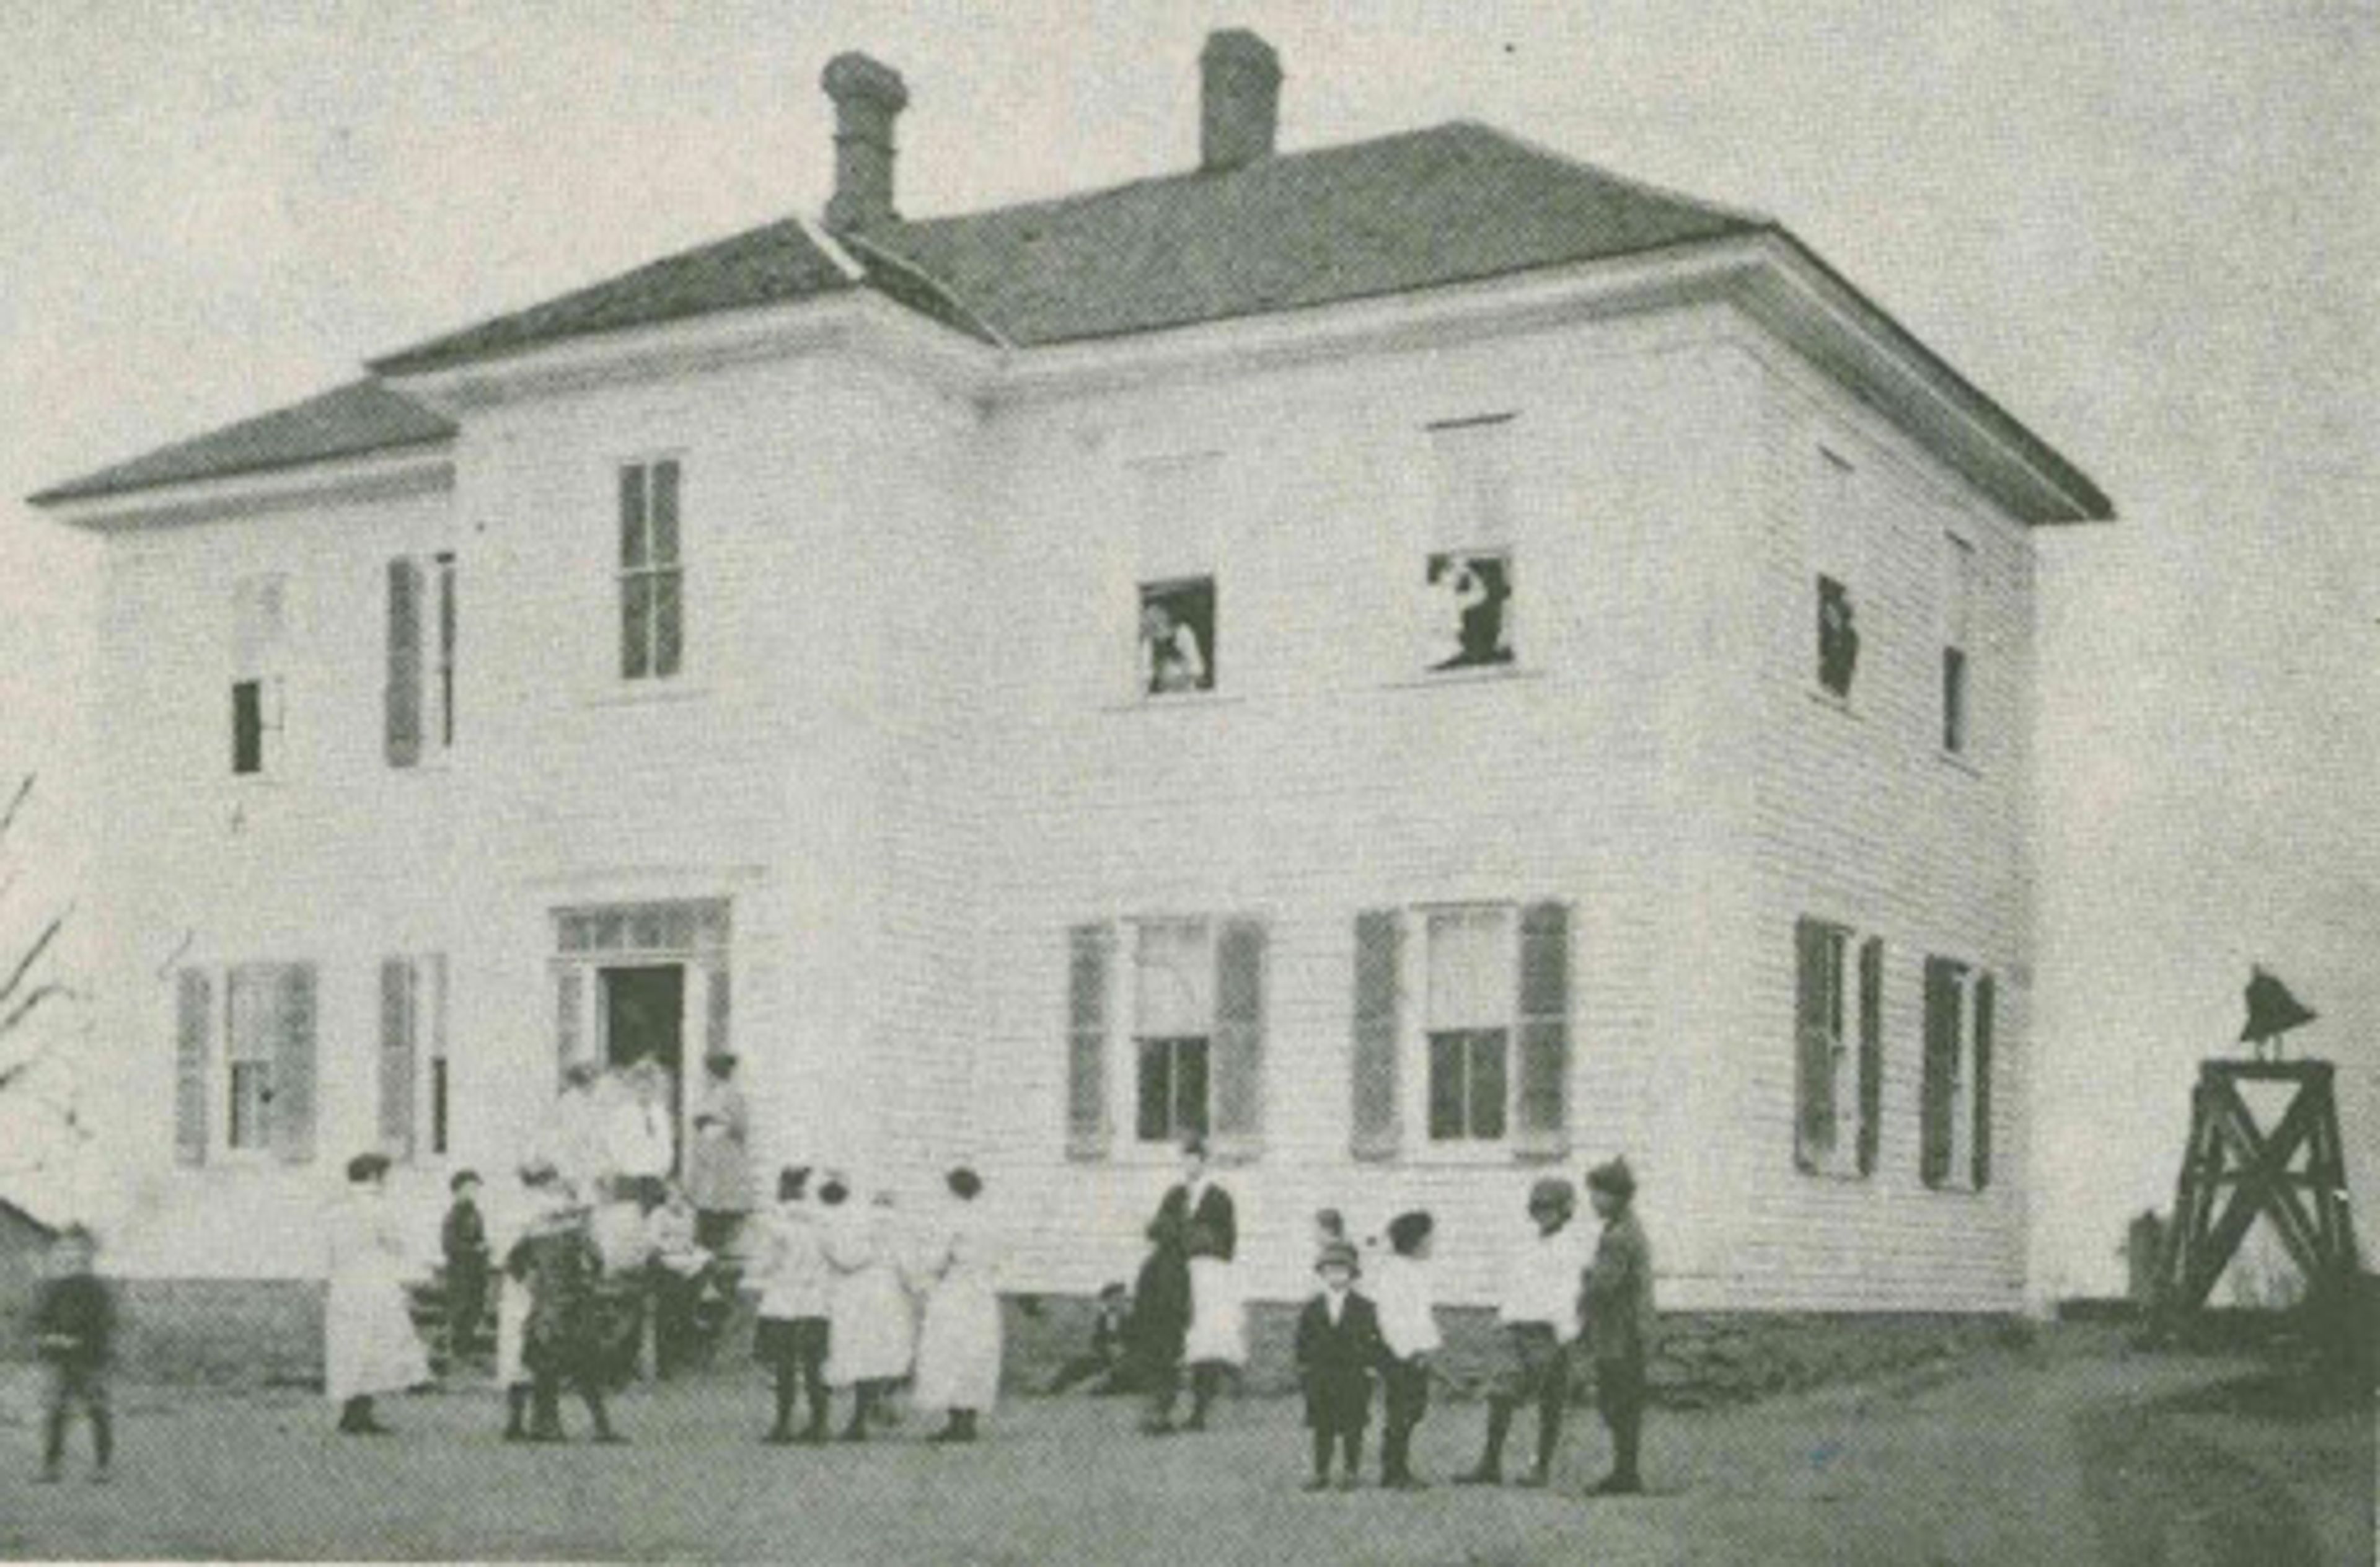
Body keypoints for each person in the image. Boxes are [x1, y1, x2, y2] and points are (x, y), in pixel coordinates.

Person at [1458, 1177, 1588, 1488]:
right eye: (1539, 1208)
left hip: (1550, 1332)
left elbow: (1571, 1294)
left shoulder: (1571, 1248)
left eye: (1551, 1209)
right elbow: (1518, 1283)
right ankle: (1489, 1464)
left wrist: (1566, 1332)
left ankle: (1540, 1467)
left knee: (1550, 1401)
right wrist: (1505, 1314)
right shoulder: (1530, 1243)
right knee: (1501, 1395)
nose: (1544, 1215)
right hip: (1518, 1329)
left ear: (1565, 1211)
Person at [506, 1169, 624, 1444]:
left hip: (547, 1307)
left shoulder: (535, 1232)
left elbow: (514, 1265)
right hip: (571, 1306)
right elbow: (598, 1262)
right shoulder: (576, 1233)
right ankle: (594, 1427)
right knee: (583, 1368)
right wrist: (588, 1281)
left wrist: (532, 1284)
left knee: (539, 1365)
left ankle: (539, 1425)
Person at [325, 1152, 431, 1436]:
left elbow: (329, 1250)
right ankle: (360, 1412)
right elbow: (395, 1242)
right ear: (374, 1177)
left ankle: (352, 1410)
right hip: (373, 1282)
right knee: (374, 1345)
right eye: (385, 1176)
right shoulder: (378, 1208)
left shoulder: (337, 1209)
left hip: (344, 1284)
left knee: (349, 1346)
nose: (387, 1182)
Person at [1144, 1134, 1241, 1432]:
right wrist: (1175, 1232)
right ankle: (1163, 1409)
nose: (1190, 1165)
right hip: (1175, 1277)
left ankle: (1200, 1410)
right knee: (1169, 1340)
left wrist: (1195, 1237)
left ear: (1206, 1162)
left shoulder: (1219, 1198)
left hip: (1207, 1277)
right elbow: (1156, 1229)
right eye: (1185, 1159)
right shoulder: (1175, 1195)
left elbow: (1227, 1244)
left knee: (1204, 1342)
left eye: (1196, 1159)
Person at [1581, 1157, 1655, 1497]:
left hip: (1620, 1331)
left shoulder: (1619, 1235)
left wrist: (1582, 1283)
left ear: (1618, 1196)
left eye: (1599, 1194)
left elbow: (1603, 1285)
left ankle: (1625, 1474)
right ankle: (1625, 1471)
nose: (1594, 1201)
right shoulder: (1624, 1227)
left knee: (1619, 1400)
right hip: (1627, 1328)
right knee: (1621, 1401)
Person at [912, 1167, 1002, 1443]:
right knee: (975, 1353)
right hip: (983, 1292)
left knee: (950, 1351)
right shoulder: (988, 1220)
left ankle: (956, 1419)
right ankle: (969, 1418)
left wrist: (925, 1271)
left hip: (957, 1290)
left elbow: (935, 1260)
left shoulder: (952, 1218)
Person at [822, 1178, 912, 1441]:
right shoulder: (901, 1231)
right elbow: (910, 1268)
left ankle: (859, 1420)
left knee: (859, 1353)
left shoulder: (861, 1226)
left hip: (862, 1294)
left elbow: (849, 1260)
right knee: (883, 1354)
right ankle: (875, 1405)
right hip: (891, 1293)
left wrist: (829, 1251)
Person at [1294, 1238, 1385, 1493]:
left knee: (1352, 1426)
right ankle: (1321, 1471)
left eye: (1342, 1270)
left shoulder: (1364, 1307)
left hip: (1352, 1374)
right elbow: (1303, 1340)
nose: (1337, 1275)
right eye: (1331, 1270)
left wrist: (1371, 1365)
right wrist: (1304, 1366)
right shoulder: (1312, 1308)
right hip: (1322, 1374)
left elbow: (1373, 1339)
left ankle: (1351, 1471)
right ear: (1322, 1273)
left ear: (1352, 1274)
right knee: (1323, 1426)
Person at [754, 1166, 833, 1444]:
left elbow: (765, 1264)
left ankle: (783, 1425)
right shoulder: (822, 1223)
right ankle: (819, 1425)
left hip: (784, 1301)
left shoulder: (776, 1225)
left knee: (784, 1366)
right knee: (814, 1365)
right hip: (815, 1301)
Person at [31, 1225, 115, 1484]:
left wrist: (76, 1342)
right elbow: (39, 1321)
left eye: (80, 1253)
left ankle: (102, 1467)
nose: (73, 1258)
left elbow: (103, 1325)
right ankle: (50, 1467)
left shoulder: (97, 1291)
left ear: (88, 1257)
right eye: (67, 1252)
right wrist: (48, 1339)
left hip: (90, 1360)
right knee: (55, 1412)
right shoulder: (54, 1289)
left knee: (97, 1410)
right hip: (58, 1359)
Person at [495, 1162, 570, 1440]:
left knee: (517, 1350)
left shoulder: (518, 1208)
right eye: (551, 1180)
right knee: (539, 1349)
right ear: (544, 1182)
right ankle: (542, 1421)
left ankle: (518, 1421)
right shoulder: (544, 1209)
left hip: (521, 1286)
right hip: (534, 1286)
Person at [1373, 1209, 1441, 1490]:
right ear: (1415, 1241)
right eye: (1429, 1239)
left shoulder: (1416, 1272)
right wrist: (1407, 1351)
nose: (1433, 1244)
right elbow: (1391, 1318)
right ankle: (1393, 1470)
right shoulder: (1395, 1273)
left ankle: (1398, 1466)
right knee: (1401, 1410)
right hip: (1399, 1353)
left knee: (1414, 1409)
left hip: (1416, 1353)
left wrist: (1427, 1347)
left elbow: (1421, 1315)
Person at [685, 1051, 752, 1255]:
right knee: (706, 1209)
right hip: (708, 1160)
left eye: (710, 1073)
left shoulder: (732, 1095)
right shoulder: (709, 1094)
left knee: (721, 1209)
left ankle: (718, 1255)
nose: (708, 1077)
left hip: (724, 1160)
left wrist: (719, 1123)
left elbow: (740, 1128)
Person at [646, 1183, 713, 1377]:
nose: (677, 1202)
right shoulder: (658, 1215)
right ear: (666, 1198)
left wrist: (687, 1248)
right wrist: (672, 1246)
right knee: (666, 1311)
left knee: (706, 1261)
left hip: (686, 1260)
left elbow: (691, 1239)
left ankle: (693, 1311)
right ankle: (664, 1363)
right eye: (673, 1197)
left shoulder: (689, 1214)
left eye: (681, 1198)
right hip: (665, 1263)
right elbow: (654, 1242)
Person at [604, 1056, 676, 1214]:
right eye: (641, 1090)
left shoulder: (660, 1112)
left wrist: (665, 1166)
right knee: (629, 1218)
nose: (645, 1094)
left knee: (654, 1219)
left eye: (649, 1089)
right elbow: (613, 1142)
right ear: (633, 1089)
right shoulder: (623, 1113)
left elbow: (666, 1141)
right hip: (630, 1174)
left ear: (655, 1089)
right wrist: (621, 1164)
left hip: (654, 1174)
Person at [441, 1169, 491, 1368]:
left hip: (476, 1270)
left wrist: (484, 1247)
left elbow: (479, 1237)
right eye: (470, 1188)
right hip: (461, 1271)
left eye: (476, 1188)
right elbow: (449, 1245)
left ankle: (466, 1352)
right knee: (460, 1311)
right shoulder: (453, 1216)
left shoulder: (476, 1213)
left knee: (474, 1310)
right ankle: (456, 1353)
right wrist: (474, 1249)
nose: (474, 1192)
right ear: (458, 1190)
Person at [1045, 1282, 1132, 1395]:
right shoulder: (1103, 1319)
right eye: (1115, 1299)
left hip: (1125, 1359)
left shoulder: (1131, 1320)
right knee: (1076, 1366)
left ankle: (1095, 1389)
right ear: (1107, 1301)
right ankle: (1054, 1389)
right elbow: (1096, 1341)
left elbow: (1136, 1340)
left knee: (1110, 1377)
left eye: (1122, 1299)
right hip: (1104, 1357)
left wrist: (1123, 1350)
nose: (1119, 1303)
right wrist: (1106, 1349)